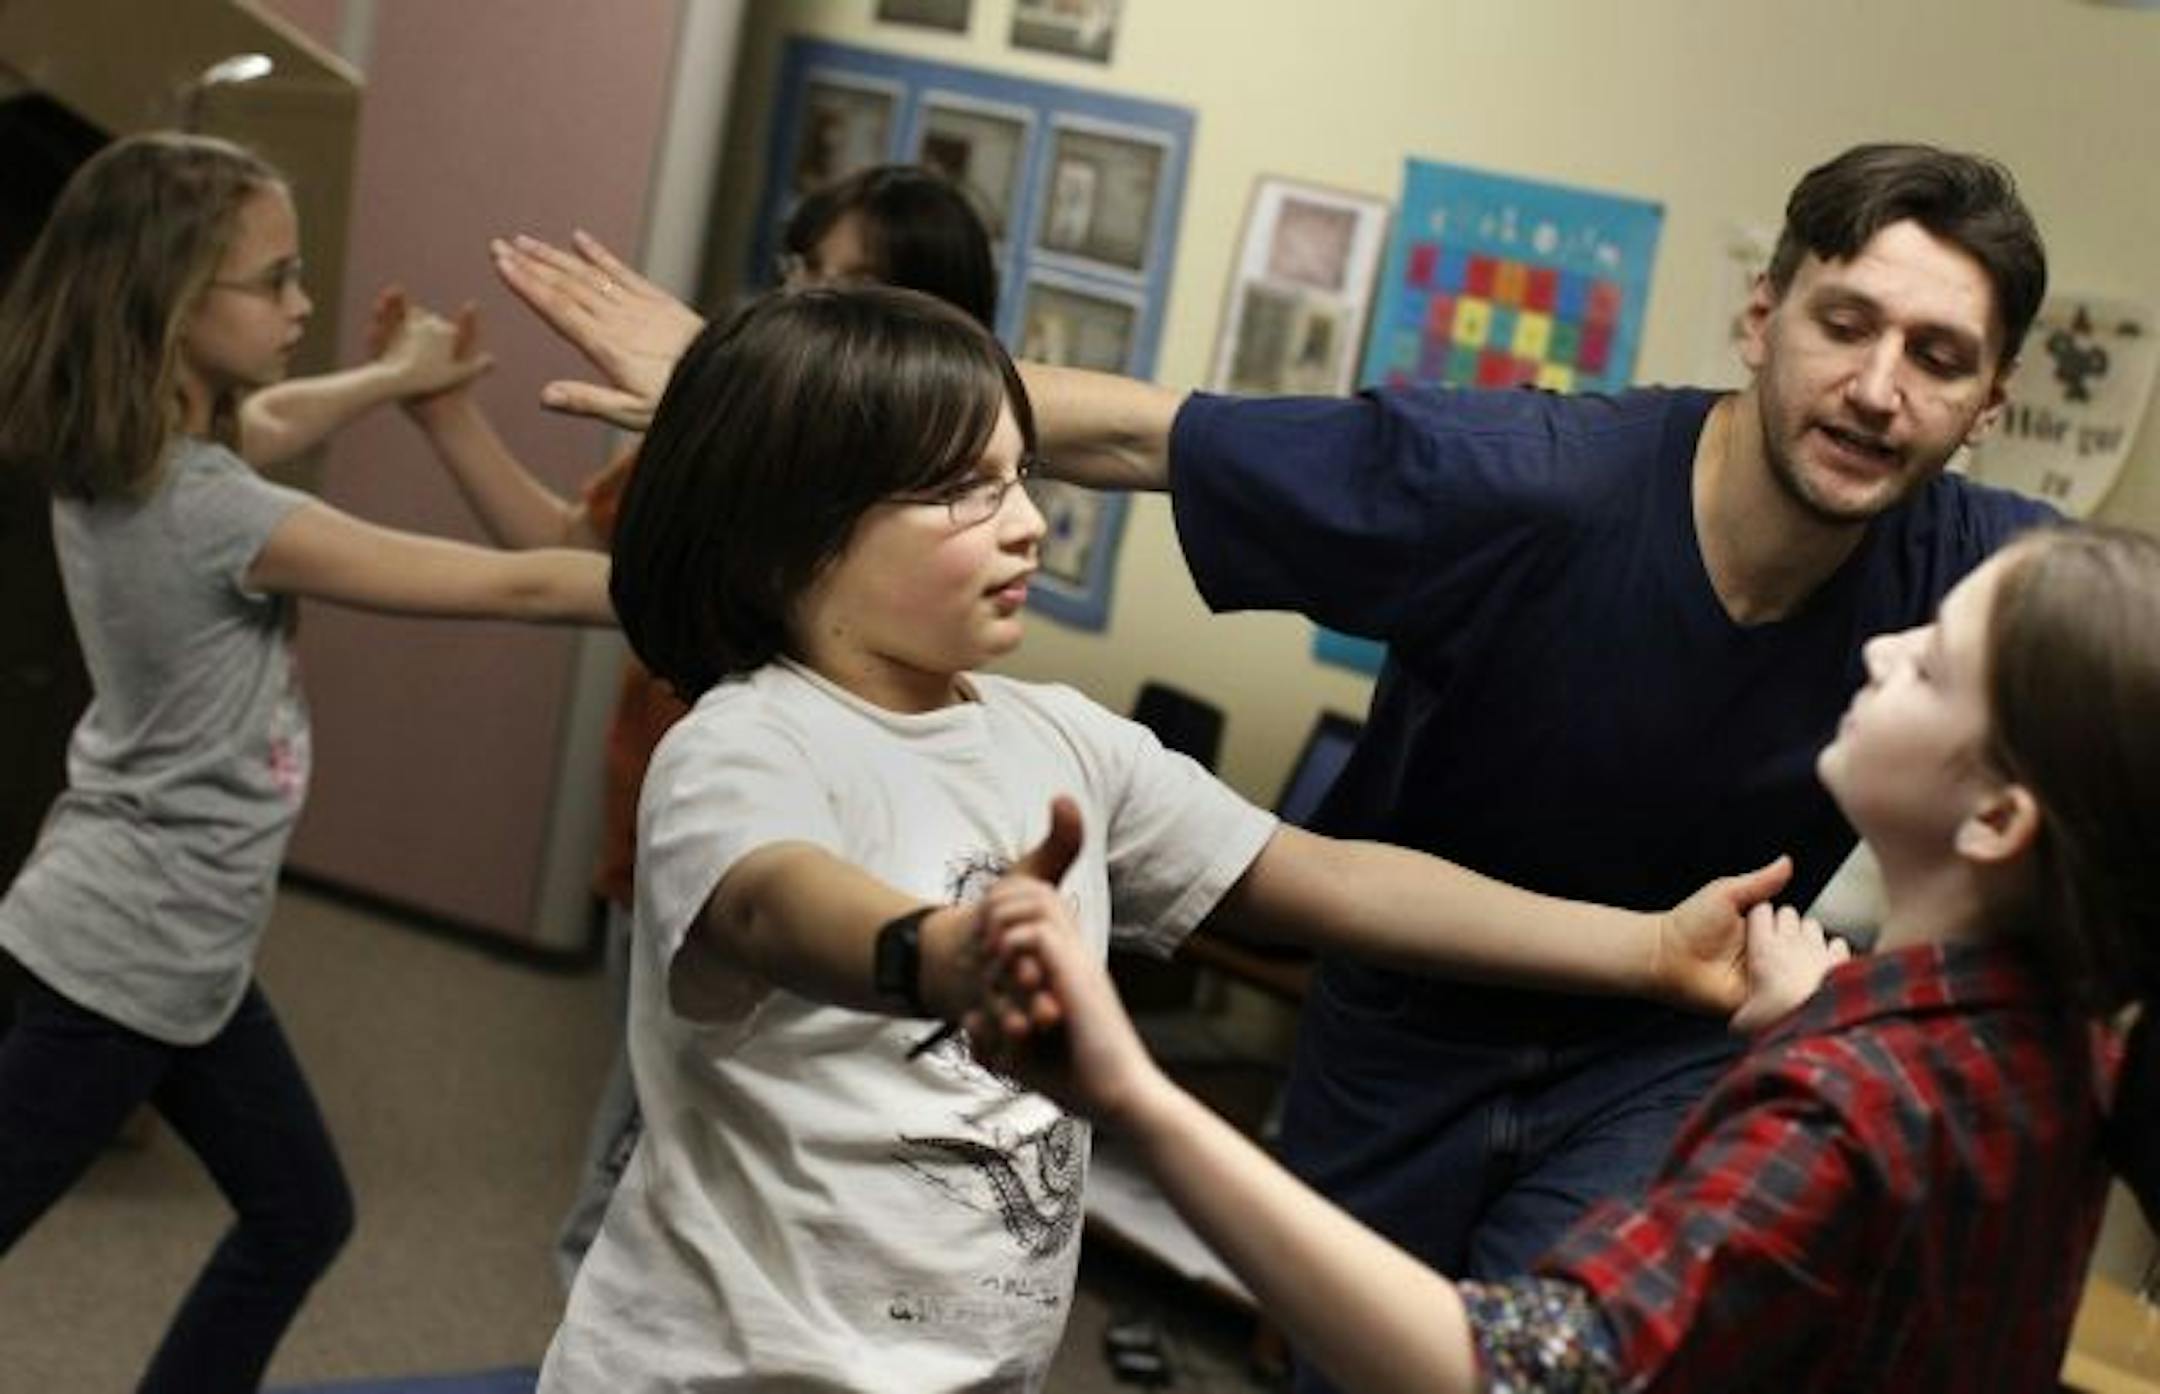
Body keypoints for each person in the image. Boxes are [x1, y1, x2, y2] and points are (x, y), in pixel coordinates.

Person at [537, 283, 1793, 1392]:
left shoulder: (1061, 740)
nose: (1027, 521)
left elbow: (1329, 876)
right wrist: (932, 953)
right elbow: (771, 901)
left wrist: (1649, 949)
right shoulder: (745, 741)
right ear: (795, 529)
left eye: (1021, 475)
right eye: (965, 492)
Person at [969, 523, 2160, 1393]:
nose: (1890, 645)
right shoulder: (2071, 1047)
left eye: (1937, 664)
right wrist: (1821, 1020)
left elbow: (1515, 1370)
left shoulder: (1838, 1109)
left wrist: (1135, 1092)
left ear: (1998, 819)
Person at [0, 132, 612, 1394]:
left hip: (185, 953)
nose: (298, 304)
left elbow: (274, 414)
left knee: (299, 1215)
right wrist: (746, 584)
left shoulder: (123, 450)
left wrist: (391, 376)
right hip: (124, 961)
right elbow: (519, 580)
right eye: (275, 280)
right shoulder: (216, 514)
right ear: (174, 305)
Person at [419, 163, 1000, 1288]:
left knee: (684, 1198)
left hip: (819, 880)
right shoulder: (722, 434)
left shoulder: (935, 504)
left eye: (858, 283)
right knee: (644, 1177)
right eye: (803, 273)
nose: (811, 306)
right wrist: (444, 414)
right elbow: (564, 563)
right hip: (674, 864)